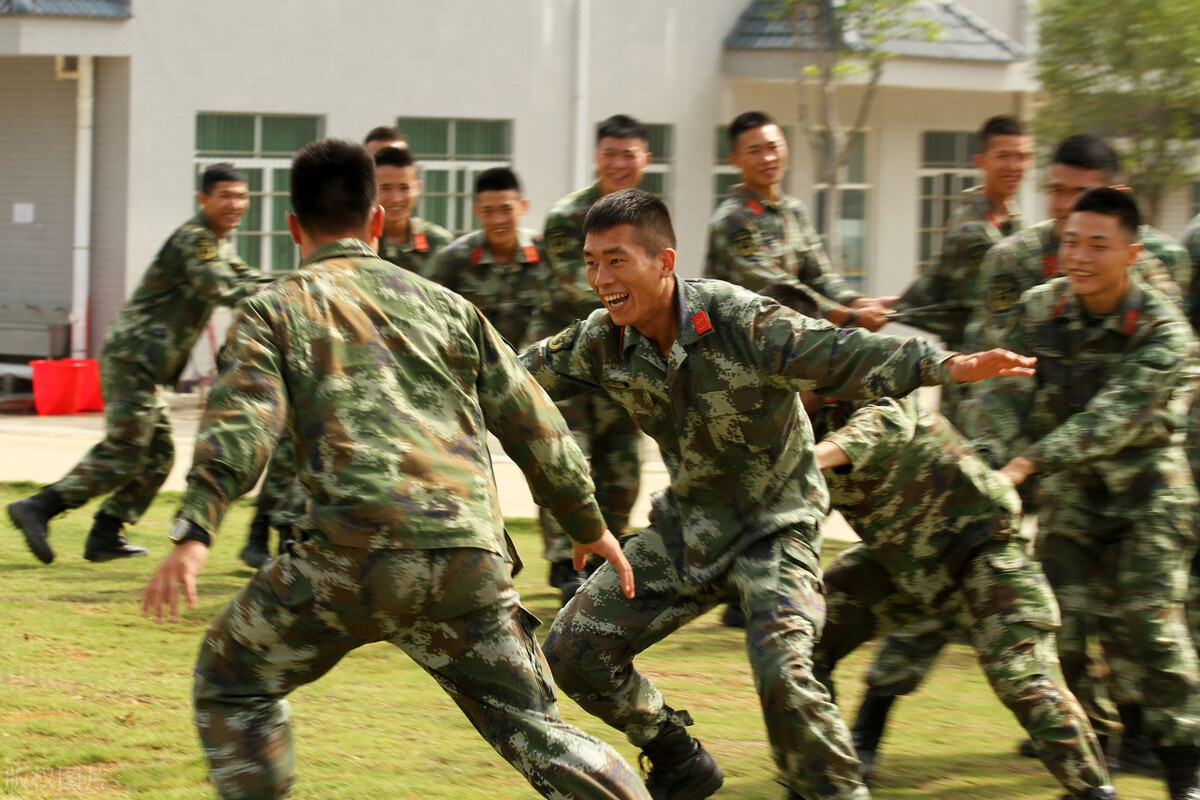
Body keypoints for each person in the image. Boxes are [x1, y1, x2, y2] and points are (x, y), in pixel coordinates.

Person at [140, 139, 650, 800]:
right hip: (469, 560)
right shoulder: (451, 308)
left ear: (294, 228)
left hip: (349, 559)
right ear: (377, 222)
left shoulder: (274, 307)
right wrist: (589, 524)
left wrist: (194, 531)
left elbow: (243, 423)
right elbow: (536, 424)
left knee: (231, 680)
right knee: (535, 727)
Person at [520, 188, 1037, 800]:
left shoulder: (737, 318)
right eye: (591, 262)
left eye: (616, 260)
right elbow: (512, 379)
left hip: (775, 527)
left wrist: (947, 366)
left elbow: (840, 351)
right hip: (690, 528)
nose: (600, 279)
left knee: (785, 675)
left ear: (664, 261)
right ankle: (676, 755)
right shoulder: (600, 339)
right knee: (573, 648)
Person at [755, 283, 1114, 799]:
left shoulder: (869, 373)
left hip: (981, 549)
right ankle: (819, 781)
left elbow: (880, 427)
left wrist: (806, 458)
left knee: (1021, 676)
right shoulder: (778, 418)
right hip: (899, 561)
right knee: (799, 639)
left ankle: (1095, 791)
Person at [968, 188, 1200, 800]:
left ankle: (1186, 774)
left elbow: (1112, 418)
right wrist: (987, 465)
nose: (1082, 255)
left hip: (1149, 493)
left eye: (1099, 244)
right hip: (1075, 495)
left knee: (1151, 625)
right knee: (1061, 630)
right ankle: (1088, 775)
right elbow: (1003, 395)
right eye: (1072, 240)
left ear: (1132, 253)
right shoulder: (1040, 310)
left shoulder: (1163, 329)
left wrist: (1023, 464)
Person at [7, 163, 272, 565]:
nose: (235, 204)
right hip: (133, 356)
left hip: (145, 363)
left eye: (241, 196)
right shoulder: (195, 240)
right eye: (225, 196)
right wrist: (292, 291)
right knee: (126, 451)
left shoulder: (218, 243)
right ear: (204, 200)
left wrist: (291, 283)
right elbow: (223, 286)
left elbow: (246, 277)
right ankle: (40, 506)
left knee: (159, 453)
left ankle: (106, 533)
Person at [536, 113, 648, 604]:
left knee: (623, 466)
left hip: (624, 357)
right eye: (610, 153)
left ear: (644, 159)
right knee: (568, 456)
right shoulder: (568, 217)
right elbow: (576, 283)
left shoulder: (645, 217)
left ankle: (607, 559)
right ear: (596, 157)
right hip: (570, 362)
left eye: (629, 154)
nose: (619, 163)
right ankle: (566, 562)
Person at [972, 134, 1190, 348]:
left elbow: (1176, 350)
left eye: (1081, 194)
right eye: (1058, 191)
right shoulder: (1011, 259)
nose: (1067, 205)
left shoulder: (1164, 256)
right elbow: (994, 352)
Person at [703, 110, 894, 333]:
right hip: (742, 353)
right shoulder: (733, 220)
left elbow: (820, 276)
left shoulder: (793, 210)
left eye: (773, 148)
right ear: (735, 160)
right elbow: (777, 288)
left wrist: (859, 302)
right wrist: (849, 316)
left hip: (791, 344)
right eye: (755, 151)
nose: (768, 158)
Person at [895, 113, 1033, 418]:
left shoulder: (1010, 217)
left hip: (998, 373)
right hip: (976, 379)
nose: (1014, 166)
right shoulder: (972, 230)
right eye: (1004, 156)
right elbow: (1009, 305)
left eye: (1022, 157)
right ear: (981, 161)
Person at [430, 166, 548, 348]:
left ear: (523, 206)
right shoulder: (454, 259)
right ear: (476, 211)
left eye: (506, 209)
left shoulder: (545, 253)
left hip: (533, 367)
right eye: (488, 211)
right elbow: (433, 317)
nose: (498, 220)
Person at [374, 145, 452, 278]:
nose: (396, 198)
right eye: (385, 188)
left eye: (404, 188)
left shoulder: (439, 243)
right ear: (371, 189)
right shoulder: (361, 242)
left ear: (417, 187)